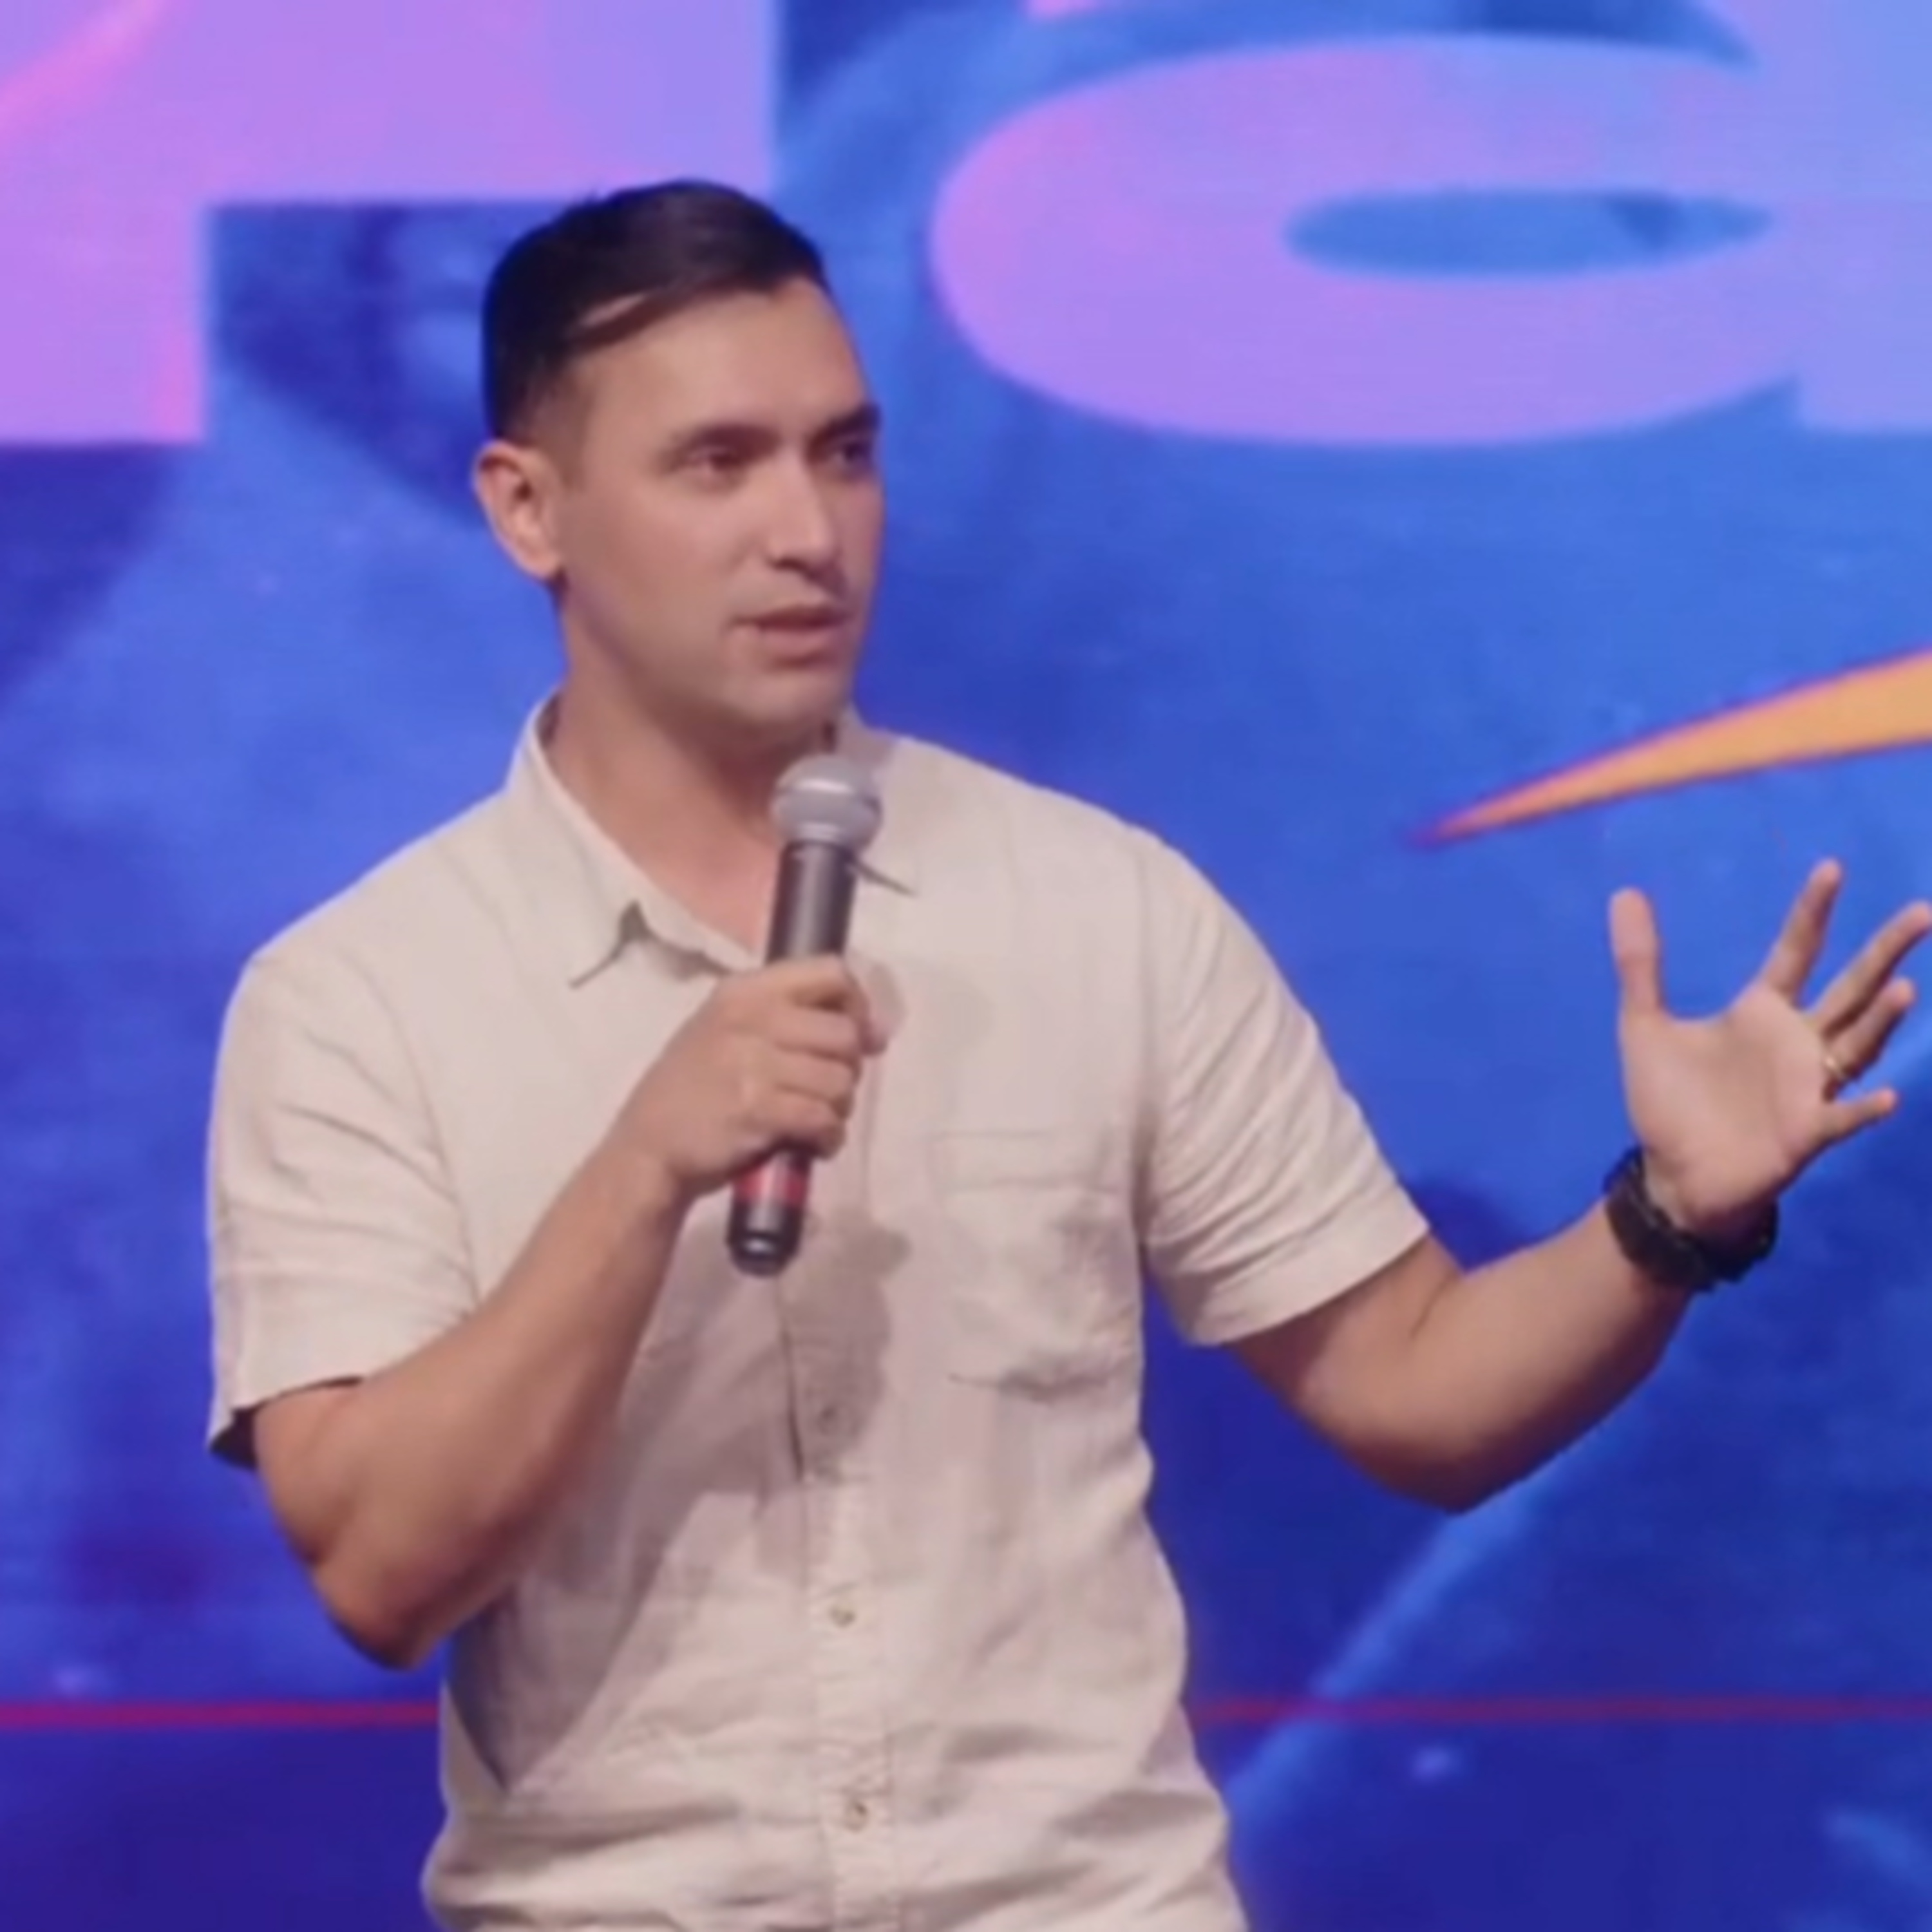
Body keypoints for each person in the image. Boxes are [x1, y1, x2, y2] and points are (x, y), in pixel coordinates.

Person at [203, 178, 1930, 1931]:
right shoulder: (362, 994)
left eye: (845, 455)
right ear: (528, 508)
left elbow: (1416, 1390)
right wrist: (642, 1174)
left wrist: (1668, 1220)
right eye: (717, 464)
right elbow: (382, 1571)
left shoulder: (1100, 908)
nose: (808, 531)